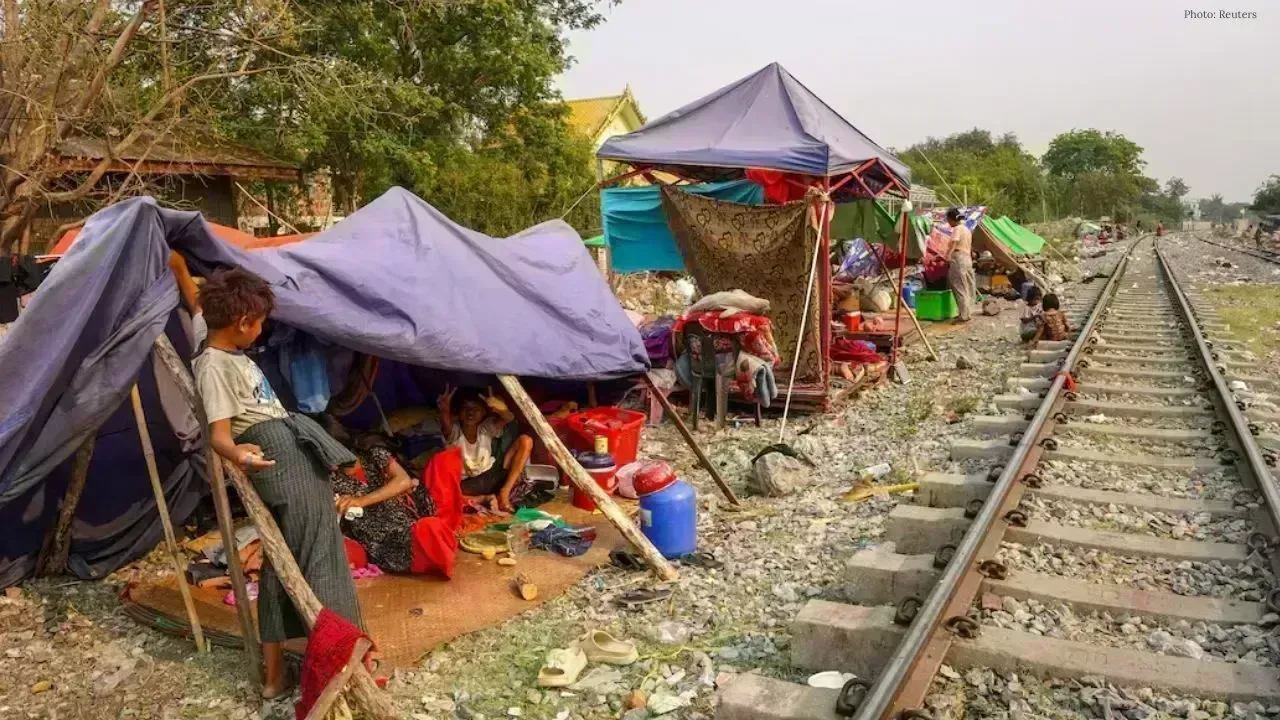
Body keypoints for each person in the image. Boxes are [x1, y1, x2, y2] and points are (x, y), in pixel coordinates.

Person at [192, 268, 364, 699]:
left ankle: (274, 676)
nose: (263, 329)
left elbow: (197, 304)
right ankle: (340, 663)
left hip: (285, 448)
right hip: (280, 457)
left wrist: (180, 267)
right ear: (242, 322)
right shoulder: (214, 365)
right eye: (260, 322)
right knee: (322, 556)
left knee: (281, 561)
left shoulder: (220, 347)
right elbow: (218, 435)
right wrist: (241, 454)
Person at [331, 435, 437, 573]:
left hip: (406, 518)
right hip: (376, 536)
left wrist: (360, 501)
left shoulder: (374, 455)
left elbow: (403, 480)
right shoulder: (331, 479)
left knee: (427, 530)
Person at [437, 386, 534, 513]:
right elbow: (445, 425)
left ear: (483, 413)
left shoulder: (485, 428)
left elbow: (509, 418)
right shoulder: (454, 432)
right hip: (468, 485)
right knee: (442, 496)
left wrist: (502, 410)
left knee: (526, 441)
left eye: (476, 409)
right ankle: (483, 499)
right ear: (458, 413)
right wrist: (444, 410)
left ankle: (504, 493)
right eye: (466, 408)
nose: (470, 413)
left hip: (490, 476)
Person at [945, 207, 975, 324]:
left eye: (948, 220)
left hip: (958, 258)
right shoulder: (967, 230)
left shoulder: (957, 229)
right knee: (967, 286)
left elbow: (955, 242)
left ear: (952, 219)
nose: (948, 223)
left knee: (959, 286)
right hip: (967, 258)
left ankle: (963, 315)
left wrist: (948, 254)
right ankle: (967, 312)